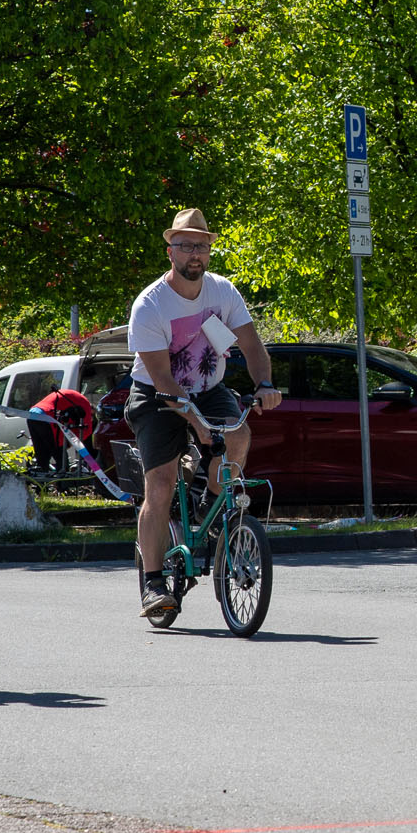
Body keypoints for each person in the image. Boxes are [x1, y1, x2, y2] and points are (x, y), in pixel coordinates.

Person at [127, 207, 282, 617]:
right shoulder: (151, 305)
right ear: (170, 252)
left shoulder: (222, 292)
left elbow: (251, 346)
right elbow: (162, 378)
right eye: (186, 246)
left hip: (209, 389)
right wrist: (195, 422)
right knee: (159, 483)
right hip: (158, 395)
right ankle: (154, 583)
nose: (194, 253)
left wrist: (264, 384)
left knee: (238, 437)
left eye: (201, 246)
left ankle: (209, 512)